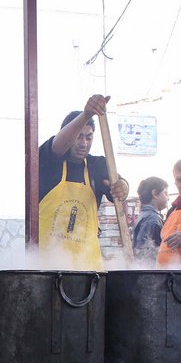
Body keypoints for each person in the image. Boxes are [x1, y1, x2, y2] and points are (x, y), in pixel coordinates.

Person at [39, 94, 129, 268]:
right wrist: (86, 114)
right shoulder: (48, 161)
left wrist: (123, 187)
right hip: (47, 265)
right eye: (78, 137)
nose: (83, 143)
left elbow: (119, 187)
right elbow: (57, 147)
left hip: (88, 267)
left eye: (88, 137)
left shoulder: (98, 165)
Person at [131, 176, 168, 263]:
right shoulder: (152, 219)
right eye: (165, 193)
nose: (168, 198)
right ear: (155, 193)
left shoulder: (143, 216)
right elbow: (146, 252)